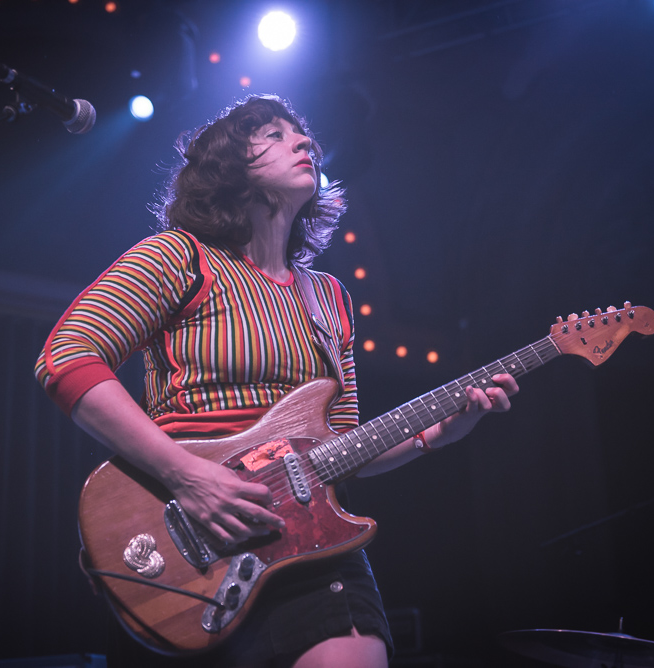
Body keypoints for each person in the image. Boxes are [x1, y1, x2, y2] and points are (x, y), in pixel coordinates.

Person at [35, 95, 518, 667]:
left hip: (310, 545)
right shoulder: (178, 257)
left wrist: (437, 434)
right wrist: (188, 476)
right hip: (187, 536)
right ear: (228, 167)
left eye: (303, 134)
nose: (304, 142)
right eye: (274, 133)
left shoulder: (327, 297)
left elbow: (343, 448)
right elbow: (67, 356)